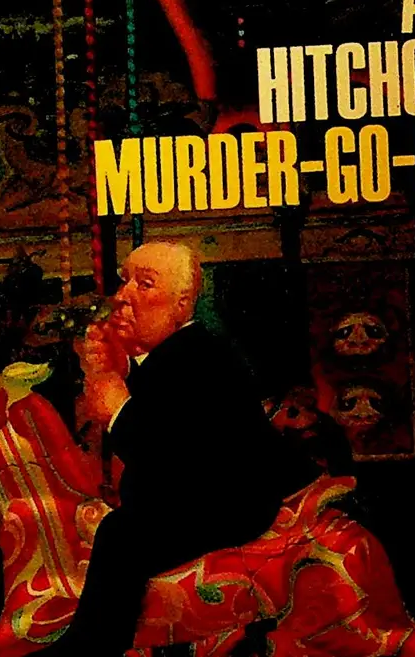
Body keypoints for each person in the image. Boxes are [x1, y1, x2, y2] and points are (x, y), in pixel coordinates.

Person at [53, 241, 315, 656]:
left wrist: (117, 409)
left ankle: (93, 648)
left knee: (122, 536)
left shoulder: (199, 358)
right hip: (198, 494)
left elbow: (170, 456)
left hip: (224, 504)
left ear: (181, 304)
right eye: (124, 282)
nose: (123, 297)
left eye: (144, 285)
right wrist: (116, 369)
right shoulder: (173, 355)